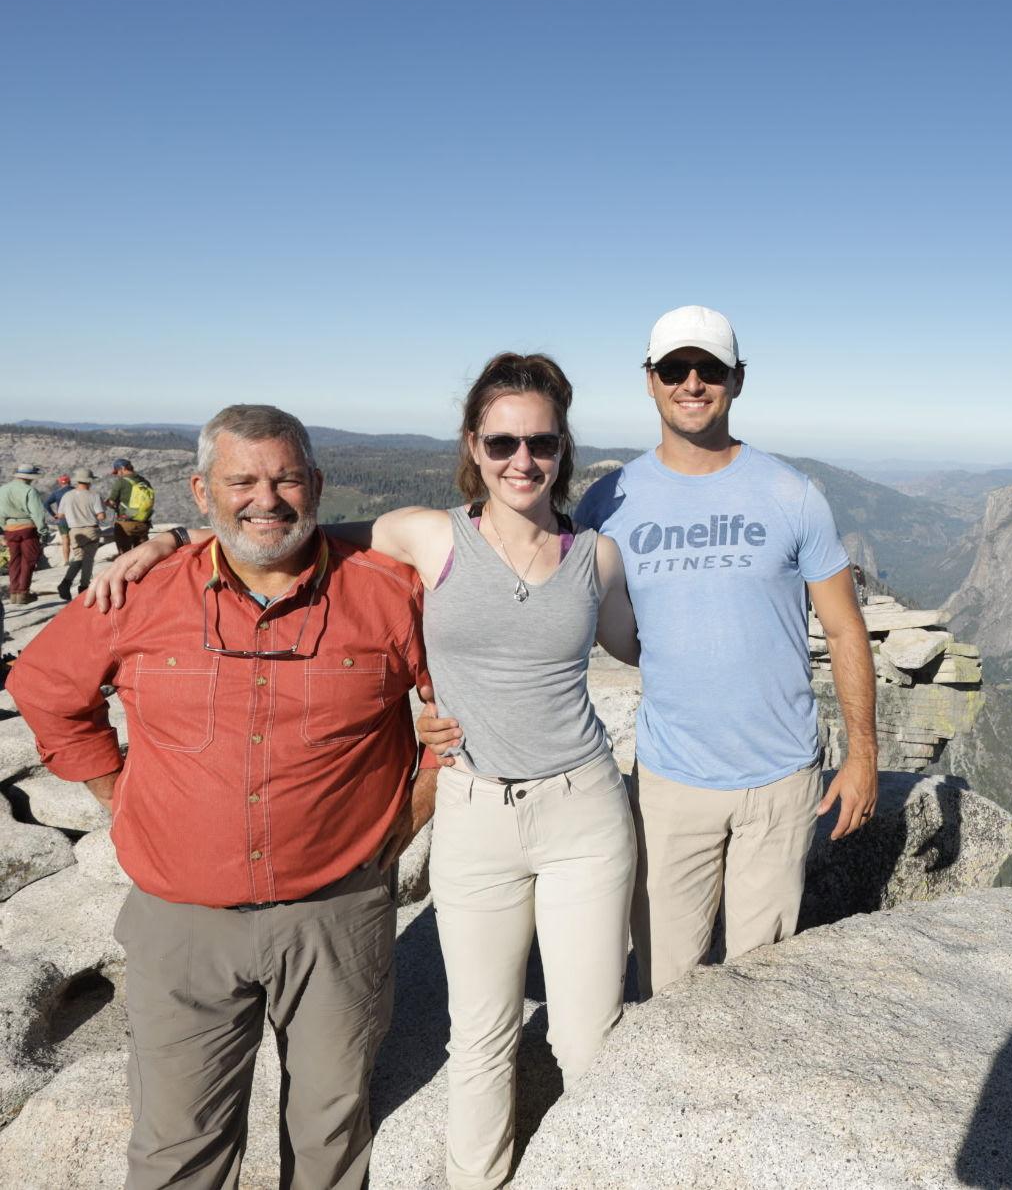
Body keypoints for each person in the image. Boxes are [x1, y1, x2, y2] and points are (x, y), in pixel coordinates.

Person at [93, 356, 641, 1190]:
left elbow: (641, 648)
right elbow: (282, 531)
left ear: (564, 447)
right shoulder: (426, 534)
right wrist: (172, 538)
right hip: (475, 808)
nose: (521, 458)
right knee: (481, 1031)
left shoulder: (596, 556)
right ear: (473, 443)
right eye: (502, 440)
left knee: (589, 1035)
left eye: (541, 440)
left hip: (584, 806)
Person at [11, 405, 431, 1189]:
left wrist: (408, 819)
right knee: (177, 1147)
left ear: (317, 485)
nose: (264, 499)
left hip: (336, 913)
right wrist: (118, 790)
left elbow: (459, 716)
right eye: (242, 480)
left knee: (330, 1135)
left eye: (286, 478)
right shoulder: (141, 593)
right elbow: (42, 687)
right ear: (202, 490)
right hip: (182, 922)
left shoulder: (387, 590)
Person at [431, 307, 878, 1002]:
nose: (691, 382)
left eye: (709, 369)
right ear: (650, 381)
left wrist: (863, 754)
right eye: (674, 368)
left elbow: (845, 628)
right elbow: (523, 582)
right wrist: (445, 705)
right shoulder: (613, 498)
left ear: (737, 379)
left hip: (782, 780)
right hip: (670, 781)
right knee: (666, 986)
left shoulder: (792, 493)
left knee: (764, 988)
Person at [1, 463, 50, 605]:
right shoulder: (30, 490)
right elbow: (37, 513)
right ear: (30, 477)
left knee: (14, 561)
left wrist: (5, 527)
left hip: (10, 529)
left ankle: (14, 593)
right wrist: (43, 530)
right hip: (27, 528)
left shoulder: (3, 489)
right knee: (29, 560)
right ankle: (23, 593)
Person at [55, 470, 105, 600]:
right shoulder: (94, 495)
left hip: (74, 531)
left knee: (78, 558)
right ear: (90, 481)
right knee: (88, 560)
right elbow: (101, 516)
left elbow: (60, 515)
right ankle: (83, 587)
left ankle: (65, 584)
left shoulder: (67, 496)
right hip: (91, 530)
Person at [106, 456, 156, 553]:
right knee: (141, 556)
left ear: (122, 469)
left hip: (126, 523)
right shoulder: (144, 481)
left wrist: (107, 503)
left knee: (125, 556)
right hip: (143, 523)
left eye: (117, 472)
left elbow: (112, 502)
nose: (117, 475)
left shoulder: (121, 482)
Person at [43, 473, 73, 566]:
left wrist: (54, 515)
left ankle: (66, 561)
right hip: (74, 519)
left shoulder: (56, 493)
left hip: (62, 520)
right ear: (70, 481)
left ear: (60, 483)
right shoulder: (75, 490)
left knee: (65, 541)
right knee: (76, 540)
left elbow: (46, 504)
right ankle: (80, 559)